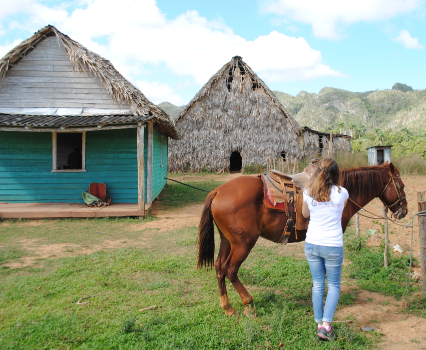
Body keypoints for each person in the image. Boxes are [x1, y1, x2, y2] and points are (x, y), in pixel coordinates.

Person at [302, 158, 349, 341]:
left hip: (312, 244)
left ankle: (319, 323)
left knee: (318, 285)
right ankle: (326, 326)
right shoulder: (342, 192)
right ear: (336, 174)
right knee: (334, 285)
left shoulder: (308, 191)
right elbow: (341, 210)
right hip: (333, 245)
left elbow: (305, 215)